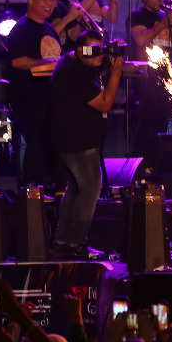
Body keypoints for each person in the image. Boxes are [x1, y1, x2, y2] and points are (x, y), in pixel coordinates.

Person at [49, 41, 124, 260]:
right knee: (91, 189)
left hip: (70, 139)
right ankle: (77, 244)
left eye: (102, 50)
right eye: (95, 51)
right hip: (79, 142)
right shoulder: (76, 73)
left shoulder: (71, 63)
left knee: (75, 189)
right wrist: (116, 74)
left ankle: (62, 242)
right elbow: (105, 103)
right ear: (82, 49)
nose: (100, 55)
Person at [5, 0, 63, 188]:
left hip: (50, 99)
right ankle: (30, 189)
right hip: (30, 100)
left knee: (52, 144)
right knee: (36, 144)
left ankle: (52, 188)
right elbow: (17, 62)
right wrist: (50, 63)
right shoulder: (21, 29)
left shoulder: (49, 29)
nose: (49, 3)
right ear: (30, 1)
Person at [127, 0, 172, 164]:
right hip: (146, 77)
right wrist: (162, 24)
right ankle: (139, 161)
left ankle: (157, 160)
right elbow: (140, 39)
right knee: (146, 119)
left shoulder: (163, 16)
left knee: (163, 118)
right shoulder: (137, 15)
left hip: (165, 75)